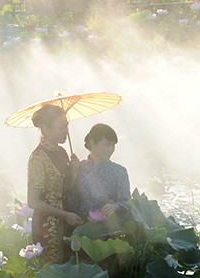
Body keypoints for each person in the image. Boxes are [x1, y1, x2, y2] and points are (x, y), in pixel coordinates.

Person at [27, 104, 83, 263]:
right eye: (61, 127)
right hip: (47, 228)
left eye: (67, 126)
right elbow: (33, 201)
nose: (66, 131)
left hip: (67, 220)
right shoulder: (37, 158)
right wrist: (64, 215)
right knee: (53, 274)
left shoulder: (62, 152)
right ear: (45, 128)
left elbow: (66, 191)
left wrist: (74, 172)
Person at [71, 123, 131, 220]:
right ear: (93, 144)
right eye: (107, 145)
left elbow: (127, 201)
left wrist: (115, 206)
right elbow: (71, 200)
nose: (111, 149)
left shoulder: (120, 171)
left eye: (113, 145)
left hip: (111, 229)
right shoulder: (78, 168)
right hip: (81, 227)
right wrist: (73, 173)